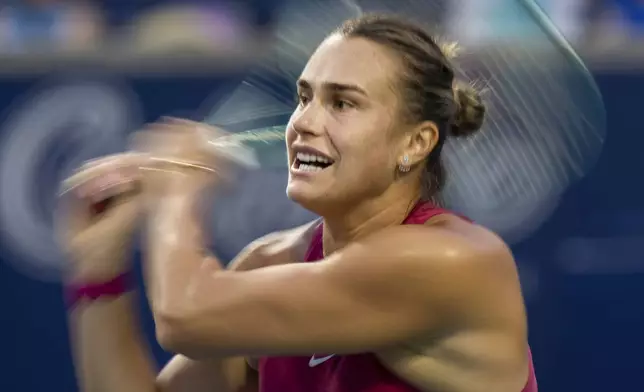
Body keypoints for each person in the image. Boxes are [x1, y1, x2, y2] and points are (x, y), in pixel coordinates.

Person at [59, 14, 537, 392]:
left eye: (343, 103)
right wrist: (97, 272)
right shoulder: (273, 262)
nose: (304, 122)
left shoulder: (452, 262)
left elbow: (184, 315)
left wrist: (180, 188)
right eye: (304, 97)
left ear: (415, 143)